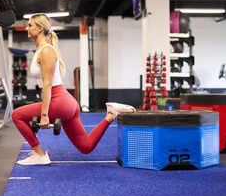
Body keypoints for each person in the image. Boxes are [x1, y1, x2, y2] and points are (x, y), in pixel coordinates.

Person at [12, 14, 135, 165]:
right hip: (66, 102)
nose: (27, 28)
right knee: (86, 147)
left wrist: (44, 114)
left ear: (40, 28)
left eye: (30, 25)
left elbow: (48, 85)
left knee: (17, 115)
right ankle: (111, 114)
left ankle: (40, 155)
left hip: (60, 101)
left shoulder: (46, 51)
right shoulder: (42, 49)